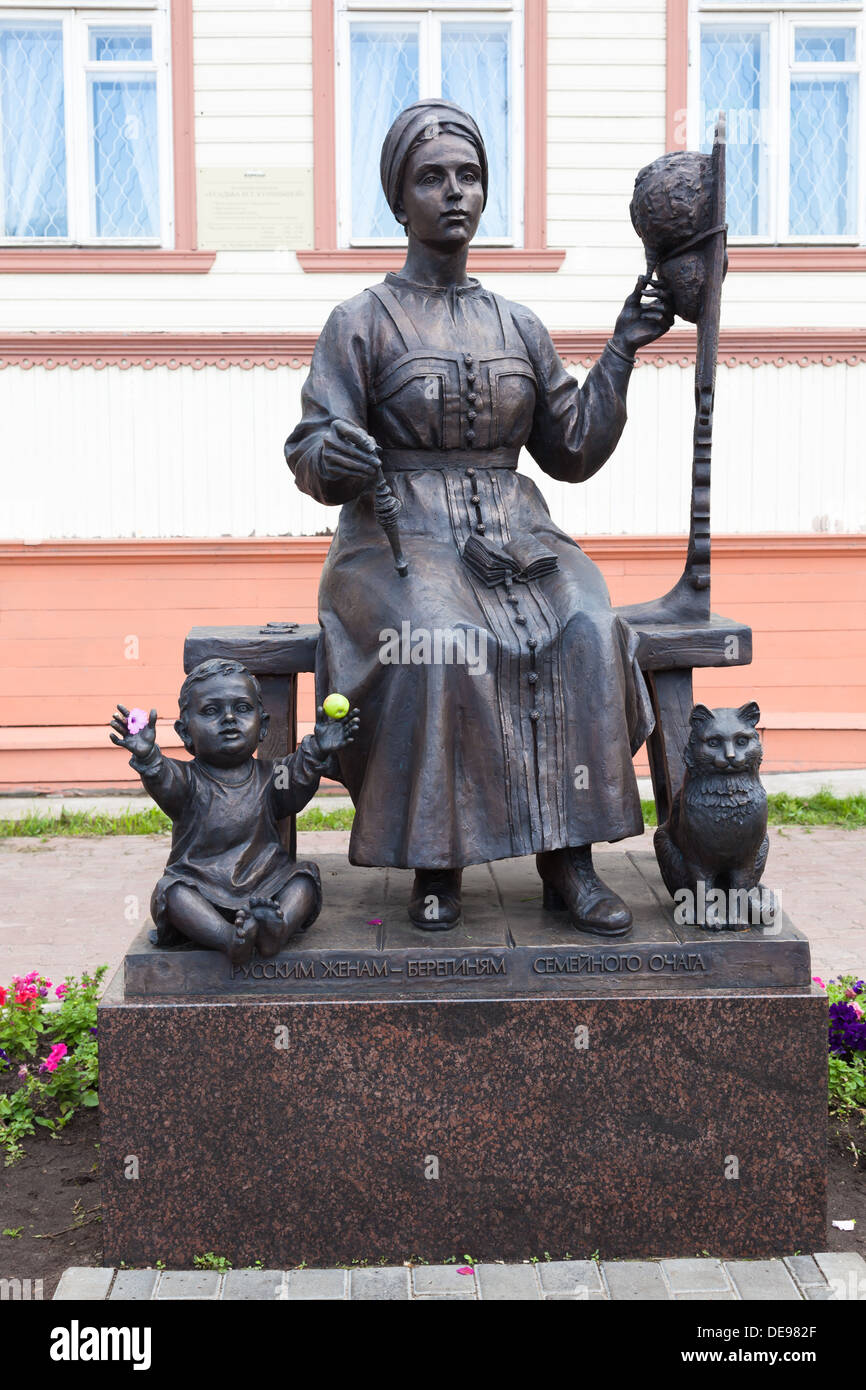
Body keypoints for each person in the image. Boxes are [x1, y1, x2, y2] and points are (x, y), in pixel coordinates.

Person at [285, 100, 674, 936]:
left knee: (586, 622)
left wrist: (623, 351)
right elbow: (311, 449)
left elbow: (569, 450)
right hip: (396, 537)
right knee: (438, 635)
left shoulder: (518, 324)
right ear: (400, 200)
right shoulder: (360, 321)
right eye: (433, 178)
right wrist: (337, 458)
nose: (454, 193)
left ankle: (570, 858)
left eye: (469, 177)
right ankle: (437, 859)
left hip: (516, 528)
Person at [109, 659, 360, 963]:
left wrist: (319, 748)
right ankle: (229, 938)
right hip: (202, 888)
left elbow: (296, 781)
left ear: (263, 726)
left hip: (266, 883)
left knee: (304, 879)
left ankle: (275, 931)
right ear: (185, 732)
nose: (229, 718)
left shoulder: (272, 776)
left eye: (241, 708)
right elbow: (163, 780)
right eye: (211, 711)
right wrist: (149, 756)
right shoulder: (187, 780)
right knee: (172, 892)